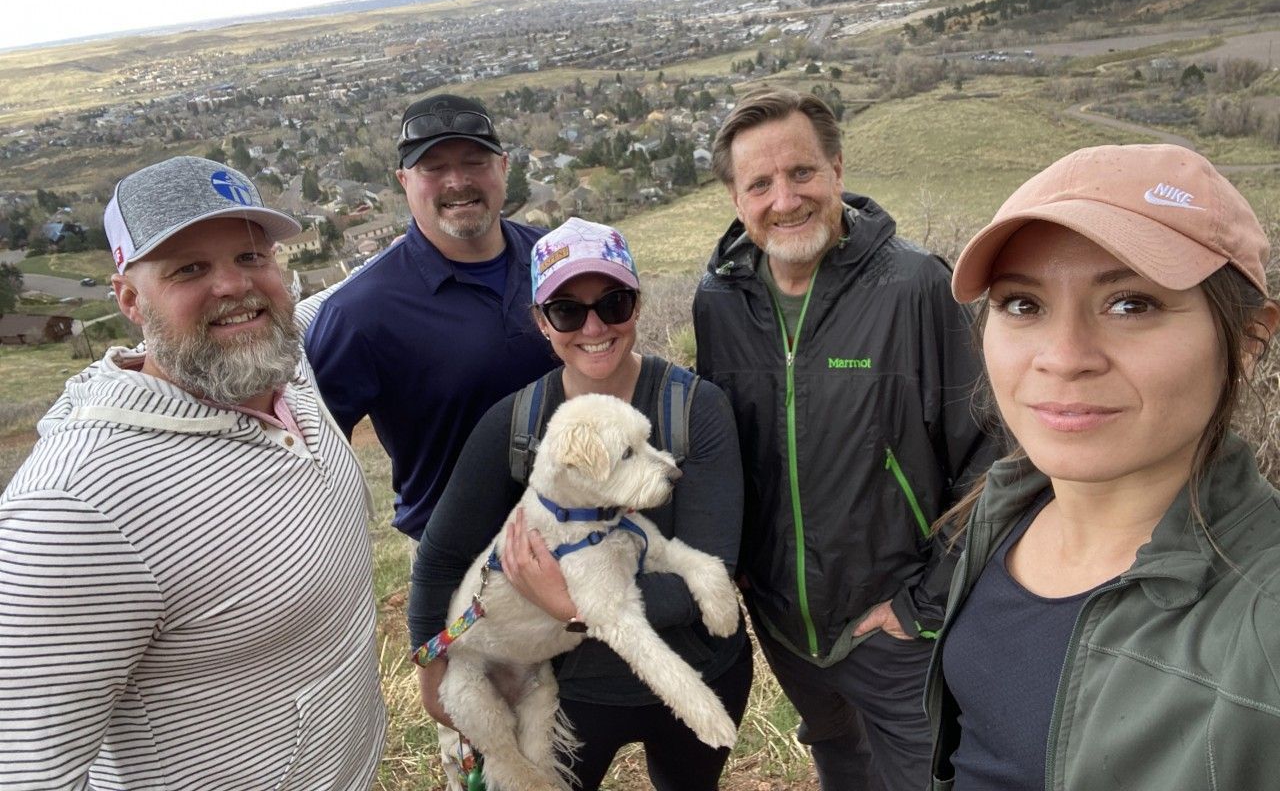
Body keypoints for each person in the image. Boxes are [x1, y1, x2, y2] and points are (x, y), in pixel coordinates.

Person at [0, 156, 385, 788]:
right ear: (129, 298)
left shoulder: (280, 366)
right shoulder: (74, 510)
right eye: (189, 268)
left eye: (251, 257)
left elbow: (329, 301)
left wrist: (426, 240)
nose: (234, 287)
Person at [927, 143, 1280, 790]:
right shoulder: (1009, 504)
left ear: (1250, 340)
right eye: (1022, 304)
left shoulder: (1265, 629)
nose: (1063, 358)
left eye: (1130, 304)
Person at [692, 86, 997, 790]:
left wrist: (923, 604)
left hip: (894, 624)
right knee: (836, 754)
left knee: (923, 776)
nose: (785, 198)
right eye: (759, 183)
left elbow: (992, 454)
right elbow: (724, 443)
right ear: (737, 200)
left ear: (836, 169)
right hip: (783, 621)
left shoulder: (916, 287)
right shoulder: (720, 300)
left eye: (801, 173)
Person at [410, 217, 752, 791]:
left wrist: (571, 605)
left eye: (613, 303)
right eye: (568, 310)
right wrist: (433, 669)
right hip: (569, 692)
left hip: (701, 665)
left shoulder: (695, 409)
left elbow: (717, 563)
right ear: (543, 323)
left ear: (637, 305)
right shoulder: (516, 424)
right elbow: (442, 556)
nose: (594, 326)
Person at [304, 93, 556, 540]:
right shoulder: (362, 311)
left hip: (589, 528)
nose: (457, 181)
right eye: (433, 168)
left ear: (503, 167)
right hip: (463, 557)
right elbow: (309, 450)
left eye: (474, 161)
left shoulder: (555, 258)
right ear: (404, 180)